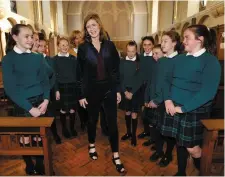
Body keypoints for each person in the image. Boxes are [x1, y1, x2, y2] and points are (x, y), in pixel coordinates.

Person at [161, 25, 221, 176]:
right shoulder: (179, 58)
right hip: (174, 107)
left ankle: (204, 171)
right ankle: (181, 172)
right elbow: (166, 79)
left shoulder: (210, 61)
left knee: (193, 149)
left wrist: (184, 108)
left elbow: (208, 92)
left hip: (194, 110)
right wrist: (168, 99)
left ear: (199, 40)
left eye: (187, 37)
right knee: (180, 143)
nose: (183, 40)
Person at [76, 13, 126, 174]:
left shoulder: (110, 45)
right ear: (86, 30)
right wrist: (81, 95)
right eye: (88, 26)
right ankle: (91, 145)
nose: (91, 29)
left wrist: (118, 90)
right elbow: (80, 73)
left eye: (94, 25)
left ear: (99, 26)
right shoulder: (83, 48)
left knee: (113, 124)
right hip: (92, 91)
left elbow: (116, 70)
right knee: (92, 121)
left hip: (110, 89)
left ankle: (116, 155)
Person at [2, 24, 50, 175]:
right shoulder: (8, 59)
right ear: (15, 37)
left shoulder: (37, 57)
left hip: (40, 101)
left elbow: (45, 81)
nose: (31, 40)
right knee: (25, 138)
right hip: (21, 103)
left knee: (40, 135)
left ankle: (41, 163)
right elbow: (10, 89)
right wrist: (30, 108)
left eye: (31, 36)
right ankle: (29, 164)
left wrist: (46, 100)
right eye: (26, 36)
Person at [148, 31, 180, 167]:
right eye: (162, 41)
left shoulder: (179, 60)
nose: (162, 44)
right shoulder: (162, 61)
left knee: (169, 133)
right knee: (158, 128)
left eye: (166, 41)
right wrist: (153, 98)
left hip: (170, 101)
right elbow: (157, 82)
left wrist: (158, 100)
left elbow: (171, 84)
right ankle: (159, 151)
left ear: (174, 43)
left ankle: (168, 155)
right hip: (158, 100)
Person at [37, 37, 61, 144]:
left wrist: (56, 90)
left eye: (44, 46)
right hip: (38, 92)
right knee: (40, 115)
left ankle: (55, 134)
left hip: (49, 91)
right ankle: (42, 136)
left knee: (51, 114)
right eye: (40, 46)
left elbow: (54, 76)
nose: (42, 48)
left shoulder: (50, 60)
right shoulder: (34, 59)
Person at [54, 37, 78, 139]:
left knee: (73, 109)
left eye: (66, 45)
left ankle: (72, 128)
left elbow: (77, 75)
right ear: (58, 46)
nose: (65, 47)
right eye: (62, 45)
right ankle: (64, 129)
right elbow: (54, 76)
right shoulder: (54, 59)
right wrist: (56, 90)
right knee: (63, 109)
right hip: (61, 87)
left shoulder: (73, 59)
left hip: (73, 87)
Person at [120, 41, 143, 146]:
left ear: (136, 51)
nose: (130, 53)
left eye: (133, 51)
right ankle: (128, 132)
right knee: (127, 112)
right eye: (128, 51)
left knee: (134, 113)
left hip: (135, 92)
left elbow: (139, 80)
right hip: (125, 90)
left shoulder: (139, 62)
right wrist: (125, 91)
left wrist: (132, 92)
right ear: (126, 51)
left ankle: (133, 135)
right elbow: (120, 78)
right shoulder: (122, 62)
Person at [138, 36, 155, 147]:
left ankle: (153, 136)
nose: (147, 47)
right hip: (141, 87)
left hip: (152, 87)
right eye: (145, 45)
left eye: (149, 44)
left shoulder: (156, 57)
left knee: (152, 112)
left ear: (153, 45)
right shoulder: (139, 57)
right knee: (143, 111)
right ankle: (146, 131)